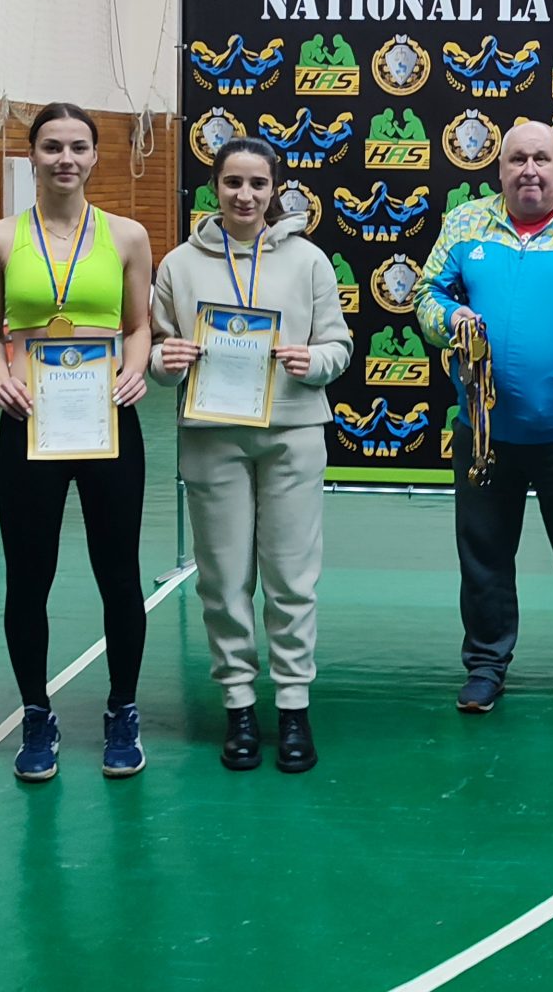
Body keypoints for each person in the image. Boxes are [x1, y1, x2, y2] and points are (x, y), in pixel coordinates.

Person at [413, 122, 553, 716]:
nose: (530, 171)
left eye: (542, 158)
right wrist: (450, 318)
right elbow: (426, 296)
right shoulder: (464, 225)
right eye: (517, 159)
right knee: (483, 556)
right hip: (486, 433)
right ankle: (486, 665)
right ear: (500, 169)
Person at [151, 137, 353, 773]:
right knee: (222, 578)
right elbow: (155, 350)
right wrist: (165, 360)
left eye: (257, 184)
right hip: (212, 434)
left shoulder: (309, 261)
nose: (244, 195)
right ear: (214, 187)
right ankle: (238, 705)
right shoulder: (179, 264)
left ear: (274, 190)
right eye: (233, 182)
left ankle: (293, 706)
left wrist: (311, 360)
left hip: (293, 431)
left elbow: (339, 346)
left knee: (292, 578)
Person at [0, 103, 155, 782]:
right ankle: (36, 713)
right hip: (29, 419)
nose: (65, 159)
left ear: (95, 155)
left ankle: (122, 709)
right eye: (52, 147)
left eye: (78, 146)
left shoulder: (128, 235)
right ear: (33, 156)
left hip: (107, 418)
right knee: (28, 576)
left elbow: (139, 324)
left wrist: (135, 367)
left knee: (119, 574)